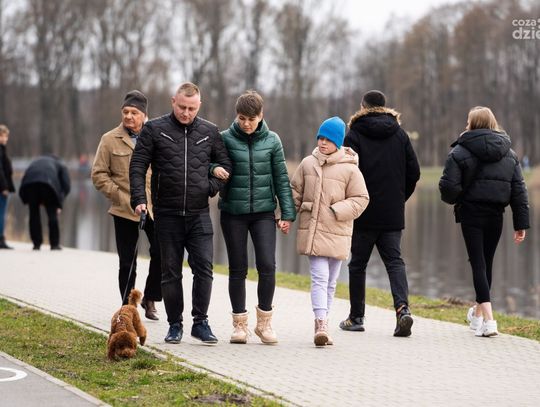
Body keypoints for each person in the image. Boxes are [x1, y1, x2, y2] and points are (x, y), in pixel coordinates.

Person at [129, 82, 231, 344]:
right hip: (167, 214)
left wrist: (210, 187)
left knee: (204, 269)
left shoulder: (209, 131)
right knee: (171, 272)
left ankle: (201, 323)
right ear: (173, 101)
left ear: (199, 106)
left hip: (199, 214)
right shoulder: (154, 129)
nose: (186, 113)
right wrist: (139, 199)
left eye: (192, 108)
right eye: (182, 107)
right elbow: (138, 165)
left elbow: (225, 164)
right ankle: (175, 325)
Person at [213, 90, 296, 344]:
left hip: (263, 213)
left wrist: (287, 213)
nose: (246, 124)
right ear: (236, 116)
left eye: (251, 119)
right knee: (237, 268)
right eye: (242, 118)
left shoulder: (272, 140)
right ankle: (239, 326)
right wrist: (213, 168)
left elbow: (281, 178)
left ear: (261, 116)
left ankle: (264, 324)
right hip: (233, 213)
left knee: (267, 266)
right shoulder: (224, 139)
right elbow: (207, 163)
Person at [439, 106, 529, 337]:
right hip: (496, 215)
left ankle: (490, 321)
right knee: (485, 263)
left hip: (471, 214)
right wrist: (520, 223)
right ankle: (477, 316)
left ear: (472, 124)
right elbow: (519, 191)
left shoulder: (460, 151)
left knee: (478, 263)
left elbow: (448, 190)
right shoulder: (509, 153)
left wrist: (457, 195)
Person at [339, 90, 420, 337]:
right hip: (392, 212)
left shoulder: (353, 135)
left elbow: (345, 173)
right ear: (385, 107)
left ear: (362, 107)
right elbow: (414, 172)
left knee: (358, 264)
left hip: (362, 211)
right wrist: (399, 198)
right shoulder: (400, 134)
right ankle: (402, 310)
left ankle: (356, 317)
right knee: (395, 262)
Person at [290, 116, 369, 346]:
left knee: (331, 281)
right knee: (320, 277)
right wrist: (285, 216)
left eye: (328, 139)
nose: (323, 143)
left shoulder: (350, 169)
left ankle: (324, 321)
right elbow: (294, 192)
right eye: (320, 138)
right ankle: (321, 323)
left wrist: (337, 210)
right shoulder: (307, 164)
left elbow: (361, 198)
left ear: (338, 142)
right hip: (313, 230)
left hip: (337, 231)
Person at [91, 90, 162, 318]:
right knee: (127, 262)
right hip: (124, 209)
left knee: (162, 253)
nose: (129, 116)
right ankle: (127, 308)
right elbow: (98, 175)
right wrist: (119, 196)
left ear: (144, 115)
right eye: (125, 112)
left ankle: (151, 297)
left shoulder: (156, 137)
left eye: (134, 112)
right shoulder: (109, 139)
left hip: (155, 208)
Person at [19, 155, 71, 250]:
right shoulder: (61, 164)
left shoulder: (36, 161)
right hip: (48, 184)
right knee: (52, 214)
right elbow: (66, 186)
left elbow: (25, 177)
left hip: (30, 185)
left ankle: (36, 244)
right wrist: (59, 204)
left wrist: (26, 198)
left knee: (33, 213)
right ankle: (54, 244)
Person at [0, 124, 15, 249]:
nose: (5, 139)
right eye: (2, 136)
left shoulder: (2, 149)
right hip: (1, 188)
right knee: (1, 214)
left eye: (6, 136)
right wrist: (4, 187)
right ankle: (0, 240)